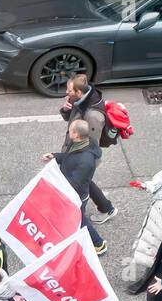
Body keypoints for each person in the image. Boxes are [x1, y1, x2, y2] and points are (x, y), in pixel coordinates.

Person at [43, 119, 107, 253]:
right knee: (73, 218)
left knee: (80, 221)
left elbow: (75, 183)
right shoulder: (80, 143)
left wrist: (54, 180)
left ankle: (99, 244)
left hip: (76, 196)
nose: (68, 131)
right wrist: (55, 156)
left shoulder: (85, 161)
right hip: (71, 192)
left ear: (76, 134)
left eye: (71, 130)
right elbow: (68, 157)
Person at [59, 74, 116, 222]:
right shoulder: (81, 100)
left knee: (80, 183)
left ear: (79, 92)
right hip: (74, 151)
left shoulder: (93, 116)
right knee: (86, 182)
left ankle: (101, 210)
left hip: (83, 157)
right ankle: (106, 208)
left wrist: (73, 159)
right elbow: (73, 121)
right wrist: (66, 110)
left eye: (69, 90)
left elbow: (90, 145)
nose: (67, 93)